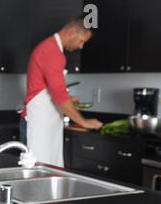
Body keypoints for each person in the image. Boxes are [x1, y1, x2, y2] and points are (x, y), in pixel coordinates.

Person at [20, 16, 103, 167]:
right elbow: (59, 95)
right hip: (38, 124)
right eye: (81, 41)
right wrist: (84, 122)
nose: (81, 46)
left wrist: (69, 100)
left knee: (46, 173)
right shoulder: (52, 52)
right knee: (36, 174)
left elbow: (49, 91)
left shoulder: (50, 49)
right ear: (72, 32)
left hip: (44, 124)